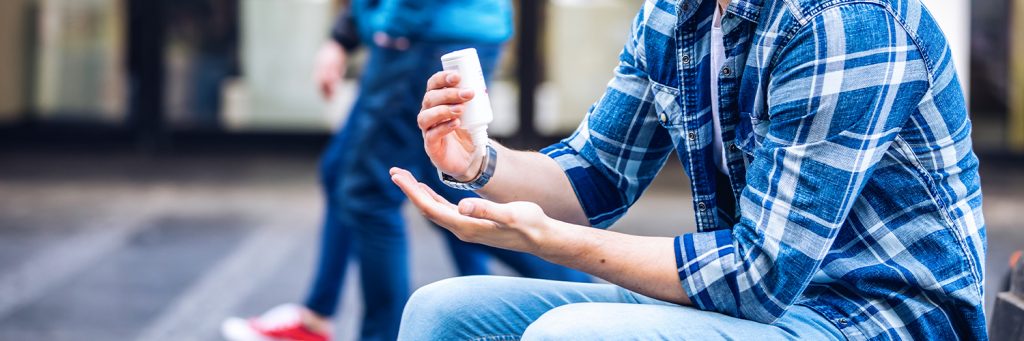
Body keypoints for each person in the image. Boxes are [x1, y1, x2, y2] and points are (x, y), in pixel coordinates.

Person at [390, 0, 988, 339]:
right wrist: (479, 162)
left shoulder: (846, 21)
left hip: (879, 319)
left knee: (570, 336)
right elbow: (594, 175)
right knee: (440, 312)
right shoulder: (675, 13)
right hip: (754, 304)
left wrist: (554, 242)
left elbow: (759, 276)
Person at [221, 1, 588, 340]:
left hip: (420, 32)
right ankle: (317, 316)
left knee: (377, 193)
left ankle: (580, 293)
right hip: (428, 27)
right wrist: (345, 34)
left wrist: (394, 29)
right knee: (369, 173)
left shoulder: (407, 28)